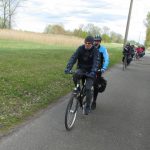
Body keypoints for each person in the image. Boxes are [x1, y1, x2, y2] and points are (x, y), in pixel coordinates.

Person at [64, 35, 99, 115]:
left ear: (92, 44)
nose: (87, 44)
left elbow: (96, 62)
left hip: (91, 71)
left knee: (88, 88)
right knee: (75, 75)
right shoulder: (80, 48)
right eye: (86, 43)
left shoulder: (95, 51)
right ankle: (78, 89)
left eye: (89, 43)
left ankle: (87, 106)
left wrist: (93, 71)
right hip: (81, 68)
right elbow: (73, 58)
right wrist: (68, 68)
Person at [91, 35, 109, 110]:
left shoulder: (103, 49)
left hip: (98, 69)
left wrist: (104, 67)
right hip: (89, 67)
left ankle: (94, 101)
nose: (96, 42)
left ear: (100, 42)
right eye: (95, 40)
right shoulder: (90, 47)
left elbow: (107, 58)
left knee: (95, 85)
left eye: (98, 41)